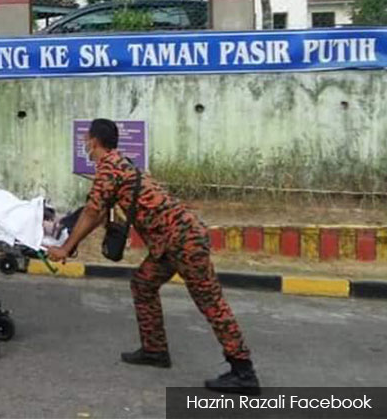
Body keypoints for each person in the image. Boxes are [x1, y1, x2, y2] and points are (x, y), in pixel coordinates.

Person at [47, 119, 260, 394]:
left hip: (183, 241)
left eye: (86, 140)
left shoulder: (110, 168)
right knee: (143, 284)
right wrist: (70, 234)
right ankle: (154, 350)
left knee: (211, 302)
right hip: (169, 243)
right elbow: (94, 210)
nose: (85, 145)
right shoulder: (118, 164)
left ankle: (244, 371)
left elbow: (93, 212)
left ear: (94, 141)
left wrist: (65, 249)